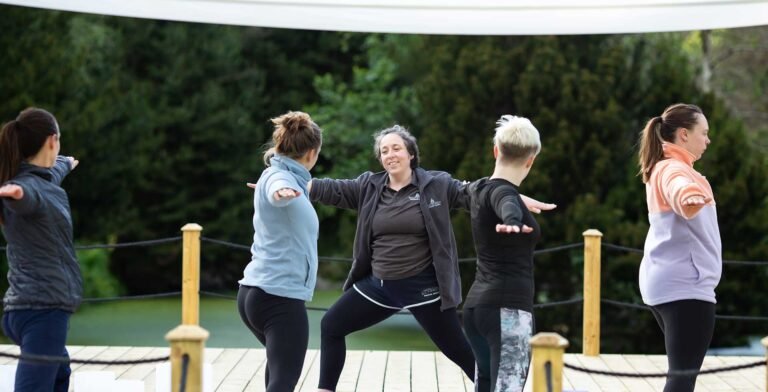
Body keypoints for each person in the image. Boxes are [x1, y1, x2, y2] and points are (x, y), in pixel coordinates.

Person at [309, 125, 555, 392]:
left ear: (411, 154)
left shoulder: (435, 184)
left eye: (396, 148)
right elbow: (329, 188)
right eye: (384, 151)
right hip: (378, 287)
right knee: (331, 325)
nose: (390, 154)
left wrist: (510, 196)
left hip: (423, 290)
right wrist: (286, 180)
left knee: (462, 353)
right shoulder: (368, 186)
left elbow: (475, 191)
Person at [637, 103, 720, 392]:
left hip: (668, 284)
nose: (708, 140)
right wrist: (688, 196)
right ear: (683, 135)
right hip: (686, 286)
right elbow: (678, 186)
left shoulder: (662, 166)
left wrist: (688, 193)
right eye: (704, 133)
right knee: (682, 378)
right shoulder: (673, 168)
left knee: (680, 375)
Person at [238, 111, 323, 392]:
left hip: (255, 293)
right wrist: (277, 192)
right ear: (312, 153)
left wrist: (270, 188)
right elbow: (279, 187)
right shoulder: (279, 179)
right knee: (283, 380)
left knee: (278, 372)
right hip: (278, 298)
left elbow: (278, 182)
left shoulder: (280, 175)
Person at [0, 107, 82, 392]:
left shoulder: (43, 177)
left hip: (28, 306)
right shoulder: (24, 188)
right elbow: (26, 197)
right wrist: (14, 196)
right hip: (42, 309)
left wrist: (66, 163)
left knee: (60, 374)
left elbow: (52, 171)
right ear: (51, 139)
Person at [463, 115, 542, 392]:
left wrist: (515, 207)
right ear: (531, 159)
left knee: (484, 384)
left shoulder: (477, 188)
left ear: (496, 151)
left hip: (475, 309)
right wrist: (511, 221)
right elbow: (506, 200)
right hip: (509, 313)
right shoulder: (505, 195)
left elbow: (500, 196)